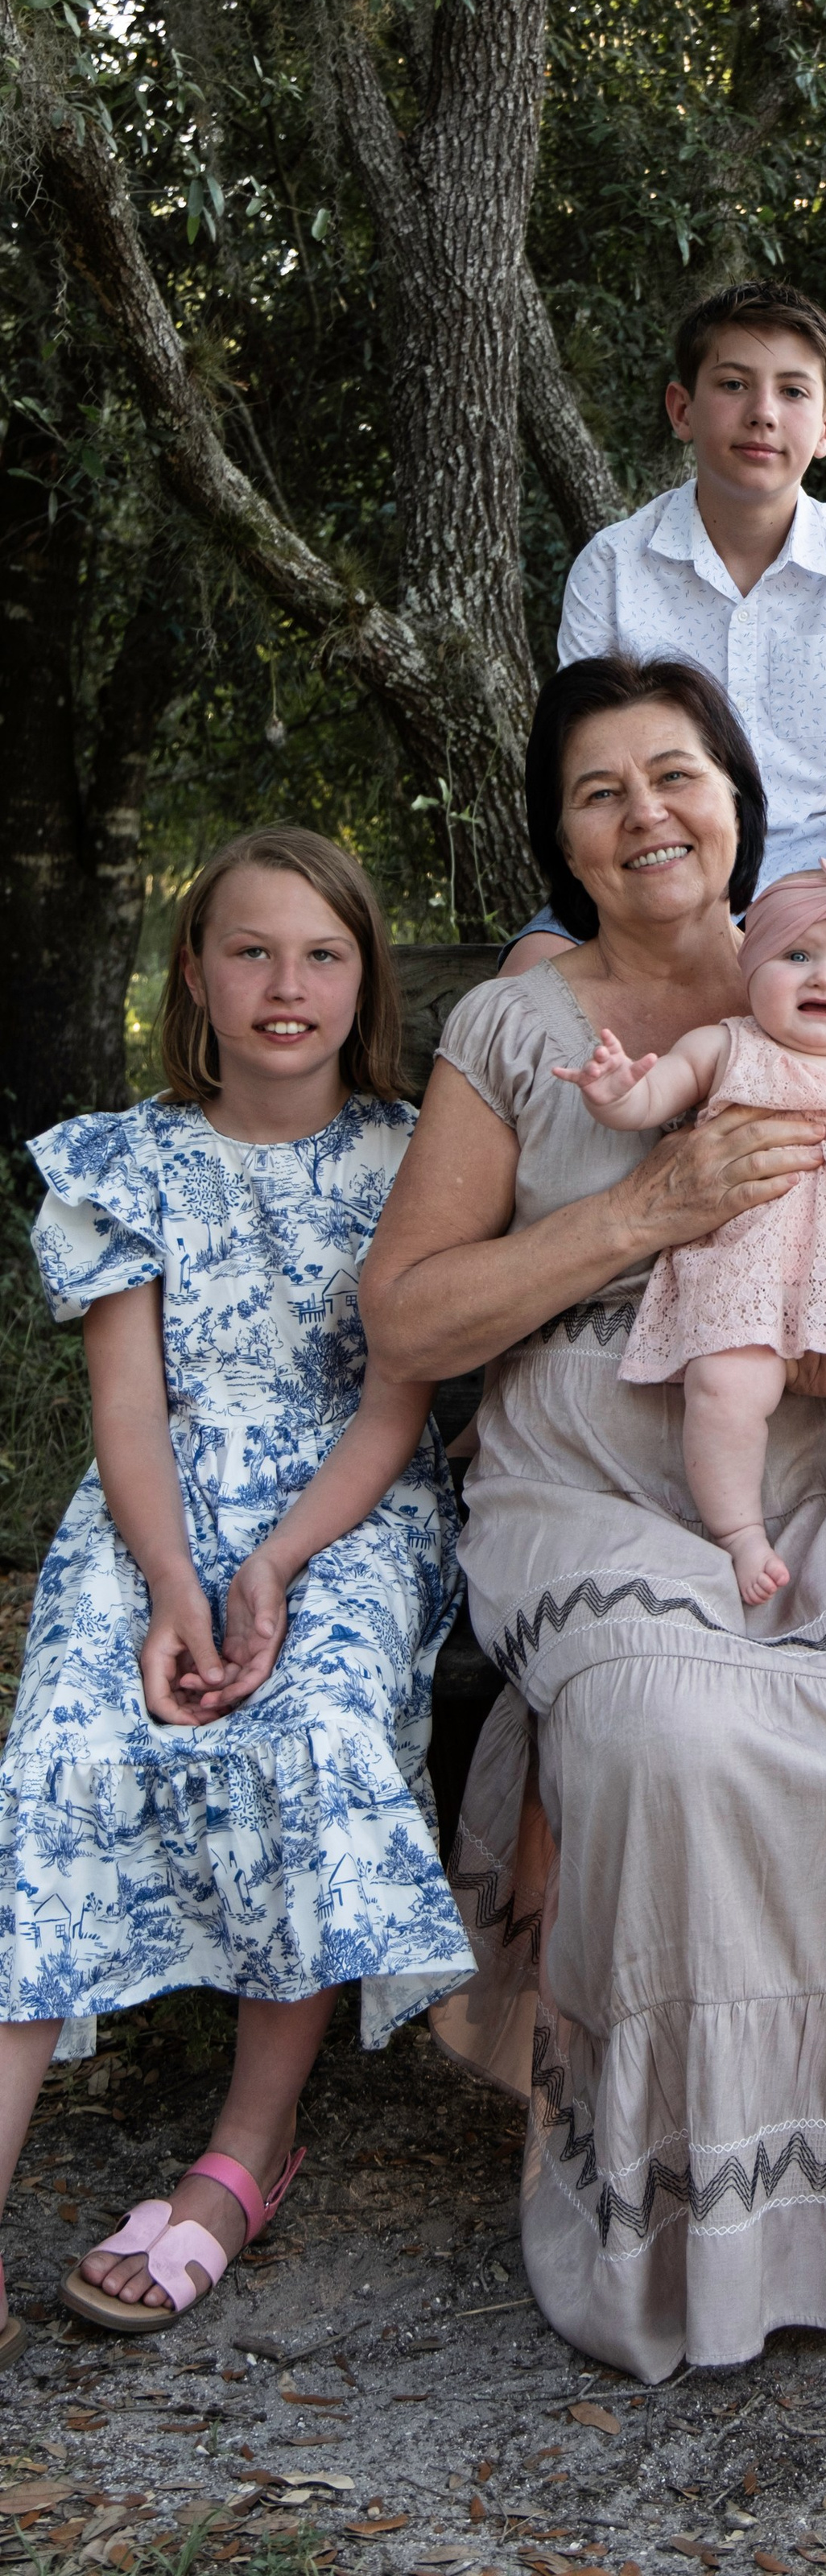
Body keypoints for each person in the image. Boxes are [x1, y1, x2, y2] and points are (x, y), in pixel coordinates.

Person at [359, 654, 826, 2381]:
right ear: (562, 837)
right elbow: (406, 1320)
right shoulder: (521, 1026)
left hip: (819, 1471)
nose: (644, 813)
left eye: (675, 776)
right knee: (670, 1743)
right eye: (597, 790)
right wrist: (647, 1207)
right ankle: (668, 2224)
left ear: (735, 795)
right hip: (588, 1472)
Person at [0, 831, 469, 2367]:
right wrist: (168, 1585)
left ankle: (246, 2147)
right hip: (158, 1511)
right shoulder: (125, 1160)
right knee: (61, 1741)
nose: (286, 986)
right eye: (251, 952)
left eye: (321, 955)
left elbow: (396, 1410)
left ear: (364, 979)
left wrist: (273, 1566)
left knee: (317, 1723)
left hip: (347, 1510)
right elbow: (128, 1412)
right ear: (194, 975)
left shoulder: (418, 1154)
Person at [559, 854, 826, 1593]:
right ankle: (740, 1531)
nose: (824, 977)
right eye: (796, 955)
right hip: (750, 1260)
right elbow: (648, 1100)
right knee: (724, 1385)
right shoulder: (724, 1045)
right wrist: (613, 1093)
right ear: (752, 967)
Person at [505, 281, 826, 972]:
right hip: (649, 870)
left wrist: (805, 907)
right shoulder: (613, 567)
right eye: (733, 384)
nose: (763, 413)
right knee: (525, 989)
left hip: (816, 887)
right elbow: (581, 778)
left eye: (794, 392)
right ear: (683, 409)